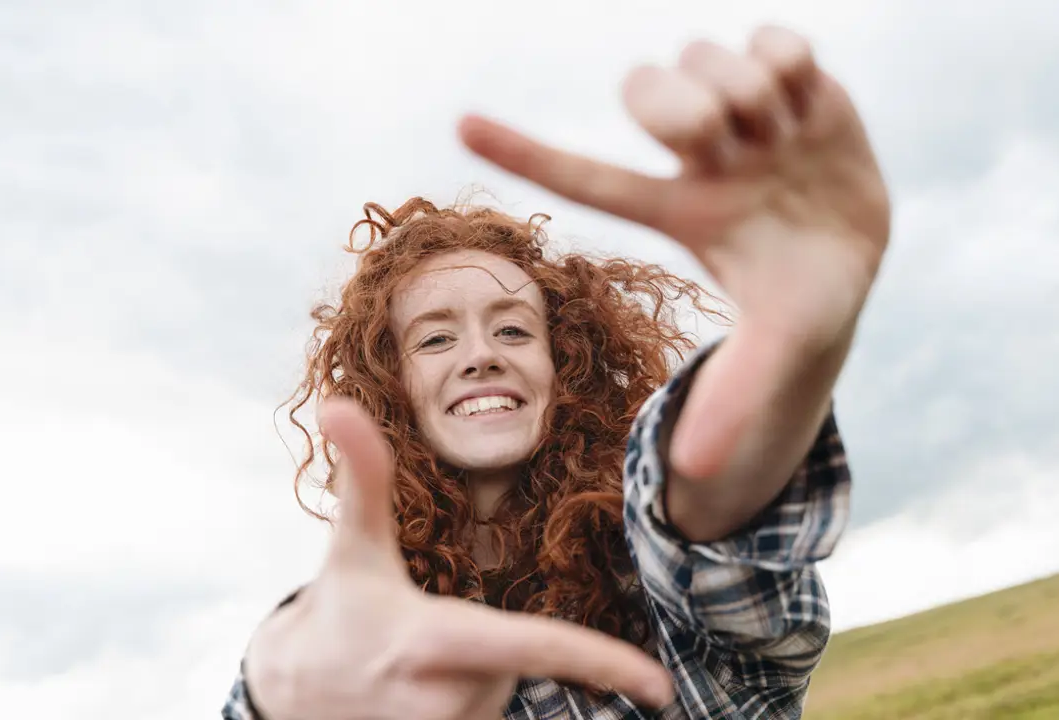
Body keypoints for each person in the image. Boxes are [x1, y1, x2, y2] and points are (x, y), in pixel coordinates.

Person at [223, 24, 889, 720]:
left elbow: (702, 513)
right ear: (389, 389)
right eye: (435, 339)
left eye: (513, 328)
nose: (482, 354)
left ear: (566, 365)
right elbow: (295, 682)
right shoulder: (364, 641)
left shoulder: (656, 588)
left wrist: (795, 343)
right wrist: (282, 697)